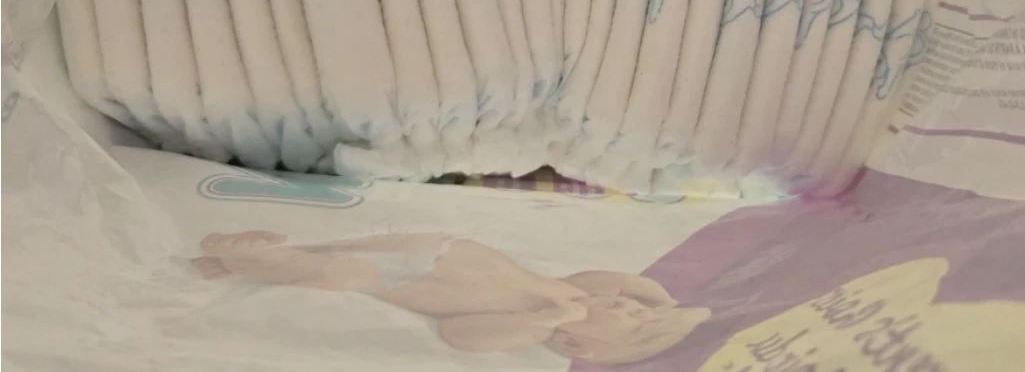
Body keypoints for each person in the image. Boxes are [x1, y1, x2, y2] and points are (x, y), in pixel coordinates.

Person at [193, 230, 709, 365]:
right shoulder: (578, 288)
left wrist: (542, 322)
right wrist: (665, 303)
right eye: (634, 307)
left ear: (578, 346)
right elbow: (623, 280)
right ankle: (262, 255)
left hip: (398, 280)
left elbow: (461, 335)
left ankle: (244, 255)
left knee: (331, 272)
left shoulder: (537, 324)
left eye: (630, 320)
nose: (628, 306)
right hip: (437, 249)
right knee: (334, 248)